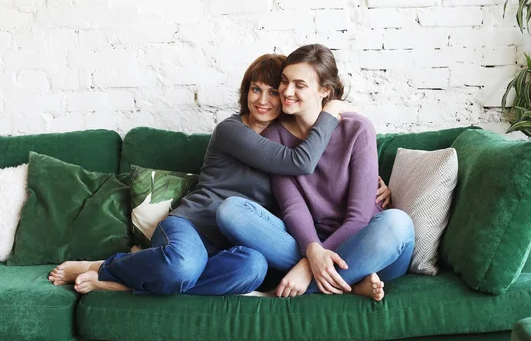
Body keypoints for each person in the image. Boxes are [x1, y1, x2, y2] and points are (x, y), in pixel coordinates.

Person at [49, 53, 390, 295]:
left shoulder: (286, 135)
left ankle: (135, 283)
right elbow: (299, 162)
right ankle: (108, 268)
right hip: (195, 225)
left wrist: (375, 183)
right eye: (257, 89)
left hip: (235, 244)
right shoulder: (233, 130)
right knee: (182, 266)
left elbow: (315, 180)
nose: (266, 99)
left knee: (253, 271)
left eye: (275, 91)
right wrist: (332, 110)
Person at [217, 44, 415, 301]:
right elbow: (293, 208)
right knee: (231, 210)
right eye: (285, 82)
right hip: (305, 242)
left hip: (365, 244)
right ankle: (352, 285)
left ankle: (291, 289)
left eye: (299, 85)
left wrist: (308, 266)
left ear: (325, 91)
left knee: (398, 223)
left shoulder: (357, 129)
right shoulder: (275, 135)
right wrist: (312, 251)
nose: (287, 92)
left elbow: (359, 217)